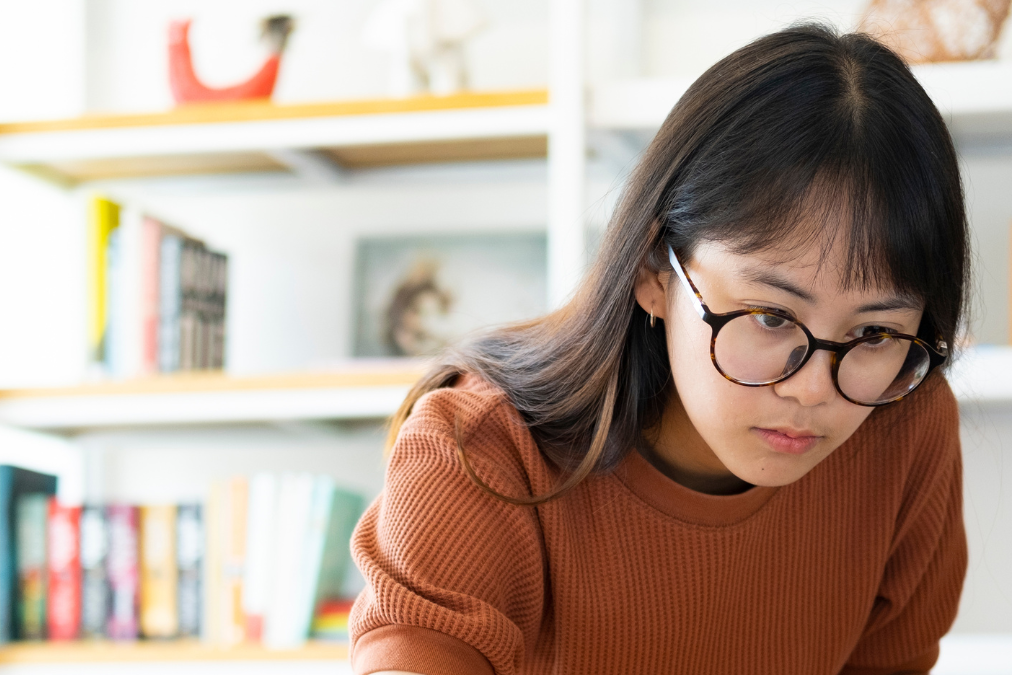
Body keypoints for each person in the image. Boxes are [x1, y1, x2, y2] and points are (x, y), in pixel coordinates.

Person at [349, 23, 969, 675]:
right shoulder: (481, 449)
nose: (814, 388)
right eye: (769, 315)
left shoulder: (904, 422)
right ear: (655, 270)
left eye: (873, 333)